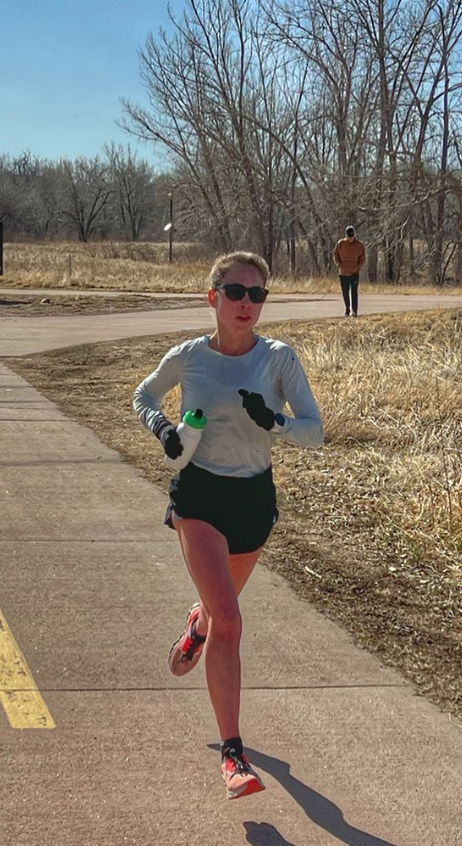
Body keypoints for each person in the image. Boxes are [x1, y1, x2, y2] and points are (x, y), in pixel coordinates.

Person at [133, 251, 324, 800]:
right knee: (233, 622)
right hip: (199, 495)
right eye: (235, 293)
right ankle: (233, 755)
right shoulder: (189, 357)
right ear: (212, 297)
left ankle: (196, 627)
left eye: (256, 295)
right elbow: (143, 394)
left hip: (252, 501)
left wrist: (277, 422)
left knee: (218, 617)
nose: (246, 305)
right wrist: (165, 430)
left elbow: (316, 431)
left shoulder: (280, 359)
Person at [334, 225, 366, 317]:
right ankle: (347, 308)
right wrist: (338, 264)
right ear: (346, 236)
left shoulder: (359, 245)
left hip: (354, 272)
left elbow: (362, 258)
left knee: (354, 292)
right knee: (345, 292)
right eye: (348, 237)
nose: (350, 239)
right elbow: (335, 254)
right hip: (343, 272)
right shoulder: (341, 243)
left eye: (351, 237)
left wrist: (358, 267)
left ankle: (354, 310)